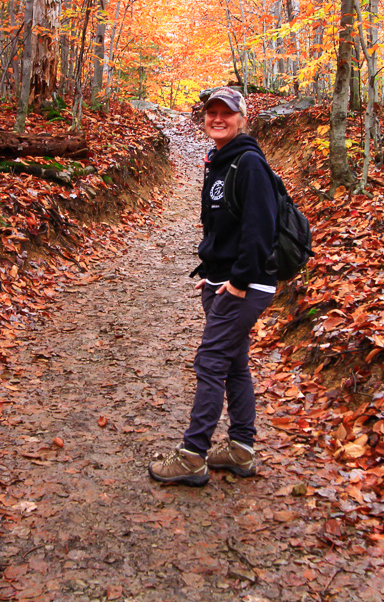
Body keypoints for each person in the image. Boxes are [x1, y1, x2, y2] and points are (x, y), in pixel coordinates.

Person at [148, 86, 278, 487]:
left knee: (210, 362)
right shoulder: (219, 161)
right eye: (211, 112)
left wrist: (237, 282)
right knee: (234, 363)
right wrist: (214, 269)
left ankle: (192, 456)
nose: (217, 118)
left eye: (227, 112)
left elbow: (261, 230)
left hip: (246, 283)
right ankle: (240, 449)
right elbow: (224, 228)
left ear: (242, 118)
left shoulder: (249, 164)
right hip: (224, 279)